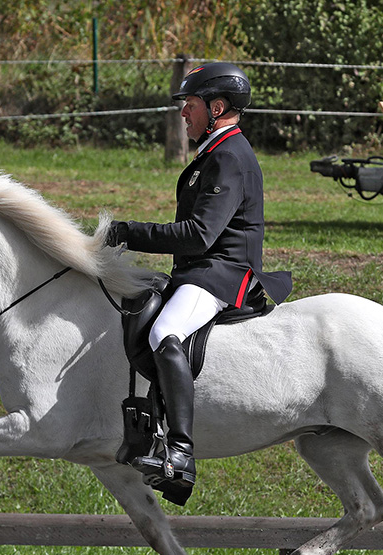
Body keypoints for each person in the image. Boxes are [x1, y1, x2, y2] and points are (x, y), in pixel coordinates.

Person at [106, 62, 292, 495]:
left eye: (189, 106)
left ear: (217, 107)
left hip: (223, 273)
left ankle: (182, 450)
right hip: (199, 270)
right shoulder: (212, 152)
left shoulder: (229, 156)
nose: (183, 114)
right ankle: (149, 430)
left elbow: (199, 234)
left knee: (167, 331)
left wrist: (128, 232)